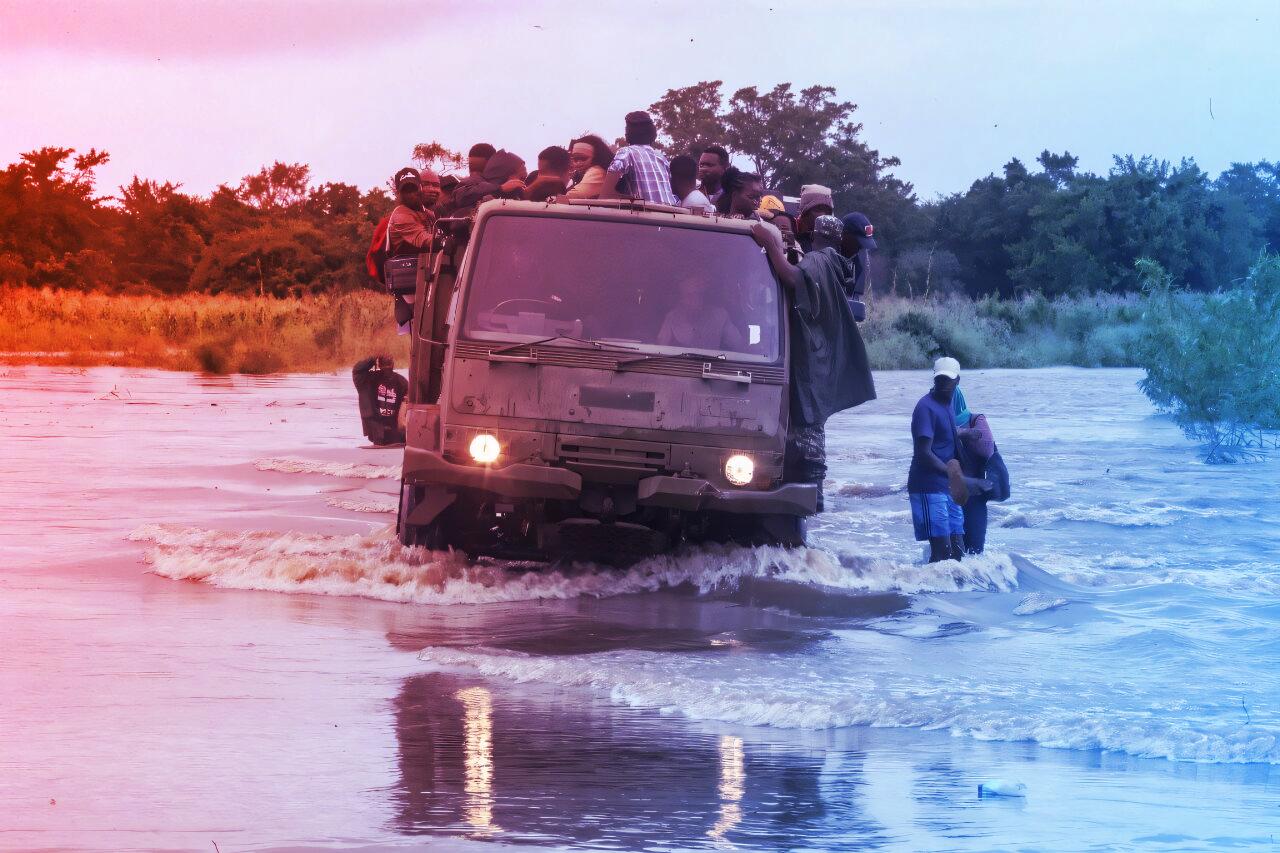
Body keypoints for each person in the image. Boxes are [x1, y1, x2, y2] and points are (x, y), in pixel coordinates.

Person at [752, 214, 876, 512]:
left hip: (808, 360)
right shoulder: (837, 265)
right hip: (820, 360)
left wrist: (771, 244)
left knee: (807, 430)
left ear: (814, 234)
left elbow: (793, 278)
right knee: (813, 426)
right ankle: (814, 499)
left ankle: (812, 499)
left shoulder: (819, 260)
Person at [908, 357, 973, 562]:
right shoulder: (925, 408)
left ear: (958, 381)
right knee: (942, 553)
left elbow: (944, 432)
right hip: (928, 487)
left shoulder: (950, 404)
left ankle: (957, 594)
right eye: (940, 380)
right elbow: (923, 453)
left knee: (958, 553)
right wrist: (951, 472)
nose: (943, 384)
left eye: (948, 380)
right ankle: (925, 592)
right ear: (934, 379)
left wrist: (965, 433)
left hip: (947, 487)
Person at [599, 111, 678, 205]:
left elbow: (605, 195)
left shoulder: (626, 152)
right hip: (671, 215)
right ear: (652, 134)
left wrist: (635, 201)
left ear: (627, 134)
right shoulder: (661, 157)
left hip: (645, 216)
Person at [657, 276, 746, 350]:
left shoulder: (720, 316)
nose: (695, 300)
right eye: (689, 295)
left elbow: (739, 346)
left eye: (699, 295)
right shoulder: (672, 317)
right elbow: (660, 350)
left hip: (714, 367)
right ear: (681, 298)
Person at [352, 355, 409, 446]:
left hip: (380, 430)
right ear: (393, 364)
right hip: (387, 431)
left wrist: (373, 357)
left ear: (378, 364)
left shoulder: (368, 379)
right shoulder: (403, 382)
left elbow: (357, 371)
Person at [840, 211, 876, 299]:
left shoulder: (857, 266)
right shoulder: (825, 260)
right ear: (844, 234)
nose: (860, 248)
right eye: (858, 243)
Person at [566, 134, 613, 198]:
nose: (578, 163)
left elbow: (571, 196)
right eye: (575, 159)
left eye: (583, 158)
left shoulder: (597, 172)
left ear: (595, 158)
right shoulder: (578, 176)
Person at [795, 184, 834, 253]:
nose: (823, 215)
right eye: (819, 209)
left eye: (827, 211)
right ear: (804, 213)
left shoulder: (830, 242)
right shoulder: (791, 233)